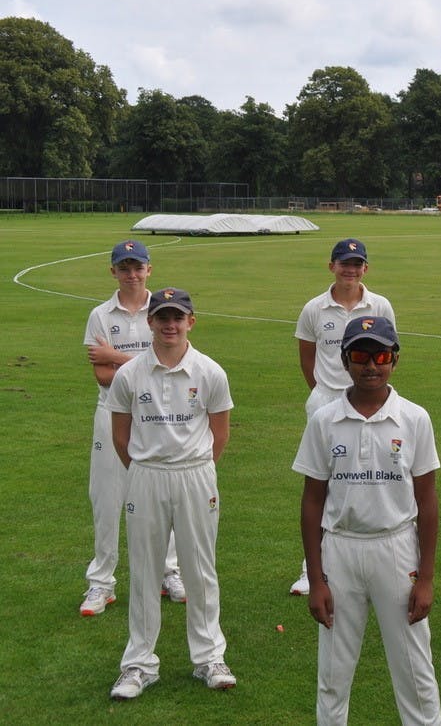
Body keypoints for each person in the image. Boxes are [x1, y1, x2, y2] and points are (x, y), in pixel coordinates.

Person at [293, 316, 441, 726]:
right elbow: (312, 501)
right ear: (344, 360)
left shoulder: (414, 418)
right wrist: (316, 578)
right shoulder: (324, 420)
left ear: (395, 359)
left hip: (396, 547)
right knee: (333, 671)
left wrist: (426, 577)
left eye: (381, 356)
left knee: (414, 666)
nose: (371, 365)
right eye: (360, 355)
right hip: (340, 547)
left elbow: (427, 500)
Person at [106, 288, 236, 700]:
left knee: (200, 568)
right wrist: (147, 469)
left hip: (195, 475)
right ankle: (139, 664)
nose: (170, 325)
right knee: (144, 570)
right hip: (146, 476)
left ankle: (209, 658)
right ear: (150, 322)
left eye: (177, 317)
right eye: (162, 317)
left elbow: (220, 434)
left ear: (190, 322)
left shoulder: (210, 372)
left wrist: (195, 468)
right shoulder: (130, 375)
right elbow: (121, 437)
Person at [80, 240, 184, 616]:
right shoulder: (100, 315)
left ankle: (168, 573)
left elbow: (171, 363)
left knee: (162, 494)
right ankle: (101, 582)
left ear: (148, 269)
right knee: (107, 498)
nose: (132, 274)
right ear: (113, 271)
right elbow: (103, 375)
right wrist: (142, 363)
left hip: (157, 415)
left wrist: (115, 355)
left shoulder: (165, 309)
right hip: (113, 412)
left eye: (138, 267)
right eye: (124, 268)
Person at [290, 238, 397, 596]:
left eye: (356, 264)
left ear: (365, 268)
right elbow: (307, 358)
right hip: (326, 402)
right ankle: (311, 569)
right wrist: (324, 394)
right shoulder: (314, 308)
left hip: (369, 402)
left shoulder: (380, 305)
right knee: (321, 484)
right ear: (331, 266)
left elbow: (388, 351)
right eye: (344, 263)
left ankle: (373, 560)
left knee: (364, 478)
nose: (350, 270)